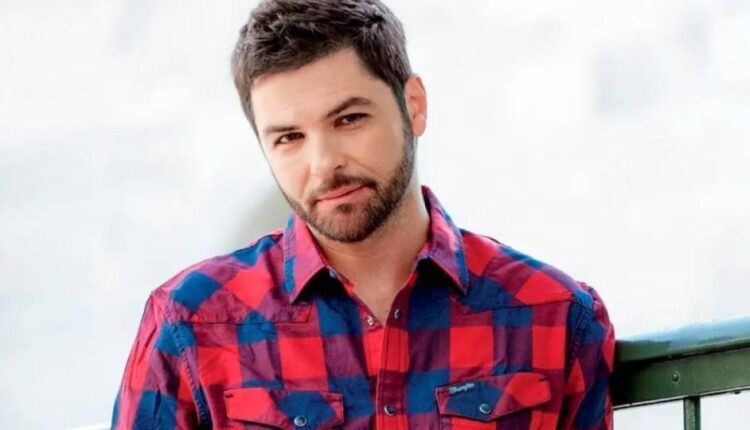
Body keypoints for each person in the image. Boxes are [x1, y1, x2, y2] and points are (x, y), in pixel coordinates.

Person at [111, 0, 615, 428]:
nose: (323, 163)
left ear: (413, 106)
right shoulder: (191, 323)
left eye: (349, 119)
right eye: (289, 138)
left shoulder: (555, 315)